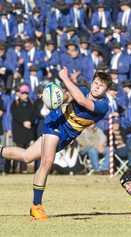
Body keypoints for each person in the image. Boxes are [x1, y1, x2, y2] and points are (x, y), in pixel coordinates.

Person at [0, 68, 111, 221]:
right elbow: (67, 97)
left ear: (106, 90)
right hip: (56, 123)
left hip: (66, 137)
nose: (97, 87)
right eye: (96, 83)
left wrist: (65, 78)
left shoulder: (104, 105)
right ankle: (36, 206)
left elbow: (81, 101)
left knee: (27, 157)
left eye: (102, 86)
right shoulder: (83, 89)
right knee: (47, 162)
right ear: (92, 82)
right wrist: (54, 96)